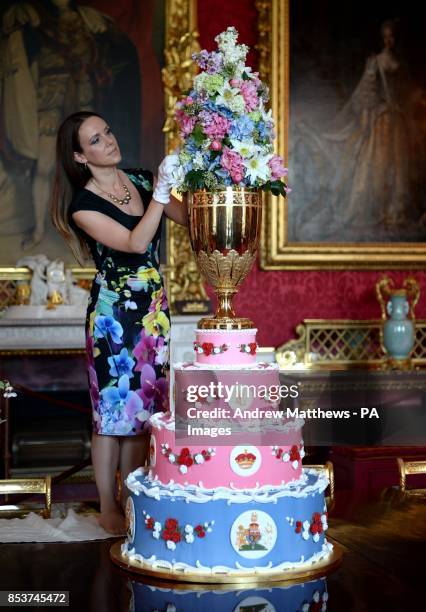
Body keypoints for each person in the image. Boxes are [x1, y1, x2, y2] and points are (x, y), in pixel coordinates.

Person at [50, 111, 187, 534]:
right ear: (79, 156)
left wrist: (203, 169)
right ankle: (107, 505)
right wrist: (162, 194)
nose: (108, 140)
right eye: (96, 139)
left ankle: (131, 499)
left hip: (153, 312)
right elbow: (135, 242)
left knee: (143, 413)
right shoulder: (83, 206)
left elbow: (191, 220)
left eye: (108, 131)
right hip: (113, 314)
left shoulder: (143, 180)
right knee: (111, 415)